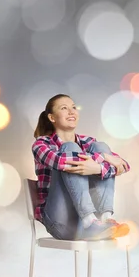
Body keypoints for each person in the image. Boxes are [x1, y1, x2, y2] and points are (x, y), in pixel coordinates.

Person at [31, 94, 130, 241]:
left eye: (73, 107)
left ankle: (105, 220)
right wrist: (103, 158)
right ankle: (89, 221)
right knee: (69, 148)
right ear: (52, 118)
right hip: (61, 221)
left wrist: (97, 168)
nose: (71, 112)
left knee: (100, 146)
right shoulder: (41, 144)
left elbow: (123, 165)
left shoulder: (89, 142)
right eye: (64, 108)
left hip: (92, 221)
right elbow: (60, 161)